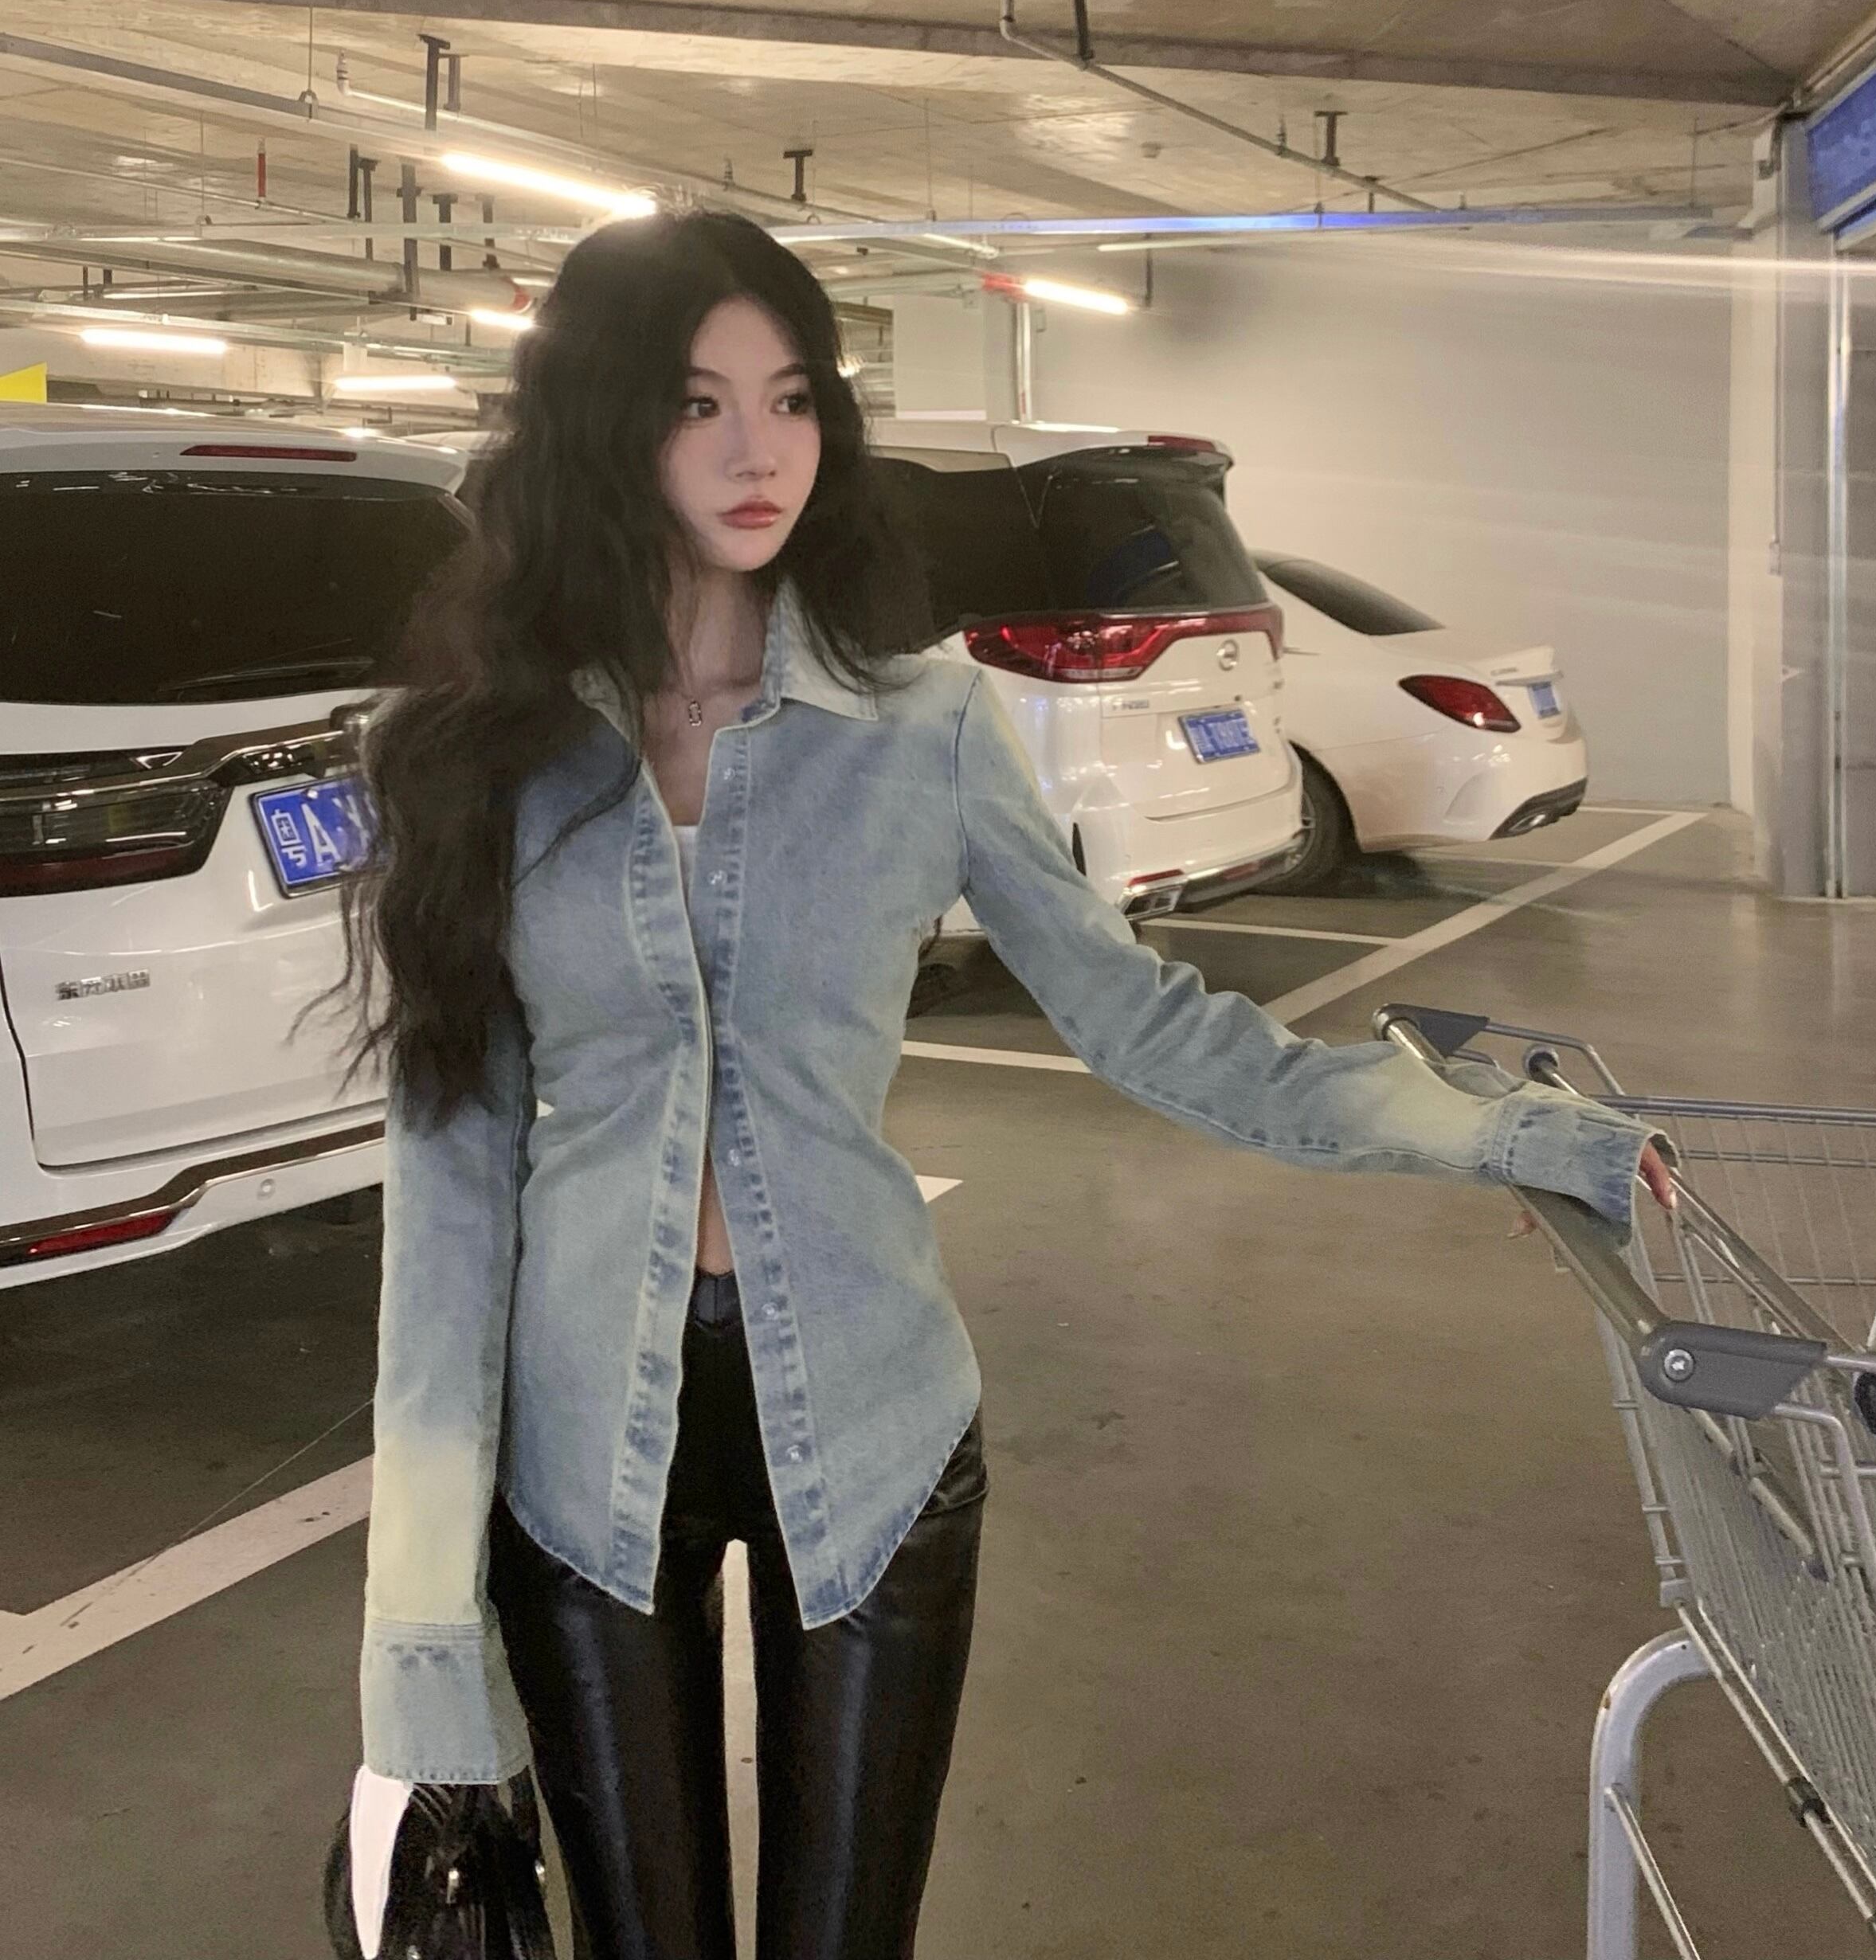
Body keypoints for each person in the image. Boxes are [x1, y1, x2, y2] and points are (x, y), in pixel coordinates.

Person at [339, 211, 1672, 1960]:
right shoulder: (485, 754)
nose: (759, 450)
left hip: (875, 1423)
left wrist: (1494, 1129)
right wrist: (418, 1639)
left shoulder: (927, 725)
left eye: (792, 397)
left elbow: (1148, 1021)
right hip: (582, 1443)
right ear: (601, 422)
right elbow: (451, 1190)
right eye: (697, 402)